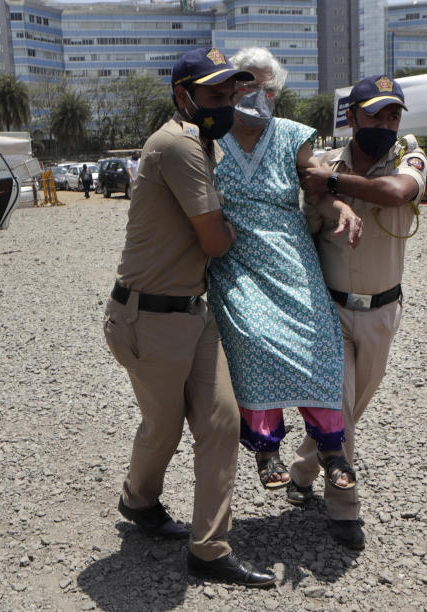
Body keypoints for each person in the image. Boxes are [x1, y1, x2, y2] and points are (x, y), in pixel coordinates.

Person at [103, 47, 275, 588]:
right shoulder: (177, 144)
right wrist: (237, 228)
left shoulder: (201, 142)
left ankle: (210, 549)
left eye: (232, 94)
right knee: (165, 427)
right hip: (147, 318)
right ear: (183, 96)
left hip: (192, 313)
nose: (227, 105)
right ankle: (139, 499)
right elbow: (217, 241)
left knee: (221, 422)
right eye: (215, 95)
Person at [205, 47, 363, 499]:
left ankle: (332, 449)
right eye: (246, 83)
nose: (256, 92)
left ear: (276, 92)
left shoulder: (295, 135)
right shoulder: (211, 141)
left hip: (291, 255)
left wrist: (342, 208)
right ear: (231, 87)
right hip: (237, 256)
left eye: (264, 85)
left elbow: (317, 191)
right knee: (252, 337)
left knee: (319, 341)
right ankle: (265, 446)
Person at [293, 75, 427, 550]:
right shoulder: (328, 160)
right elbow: (308, 203)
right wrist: (329, 194)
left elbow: (394, 192)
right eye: (376, 114)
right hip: (329, 311)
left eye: (393, 115)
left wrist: (331, 183)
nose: (387, 124)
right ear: (351, 118)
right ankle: (344, 510)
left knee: (352, 410)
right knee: (342, 413)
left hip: (381, 312)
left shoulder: (409, 159)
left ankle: (305, 466)